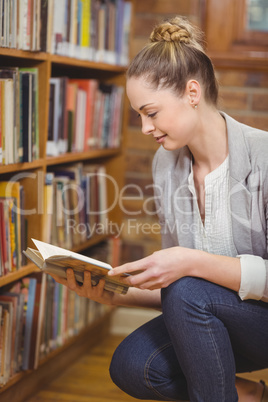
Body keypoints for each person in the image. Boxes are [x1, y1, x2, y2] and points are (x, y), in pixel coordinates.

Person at [51, 16, 268, 402]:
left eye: (151, 112)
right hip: (207, 319)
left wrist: (189, 262)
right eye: (138, 115)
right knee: (133, 366)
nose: (145, 127)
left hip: (260, 321)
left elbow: (187, 283)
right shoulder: (166, 165)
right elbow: (179, 293)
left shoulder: (263, 157)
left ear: (192, 92)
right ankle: (245, 395)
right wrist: (116, 294)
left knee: (188, 286)